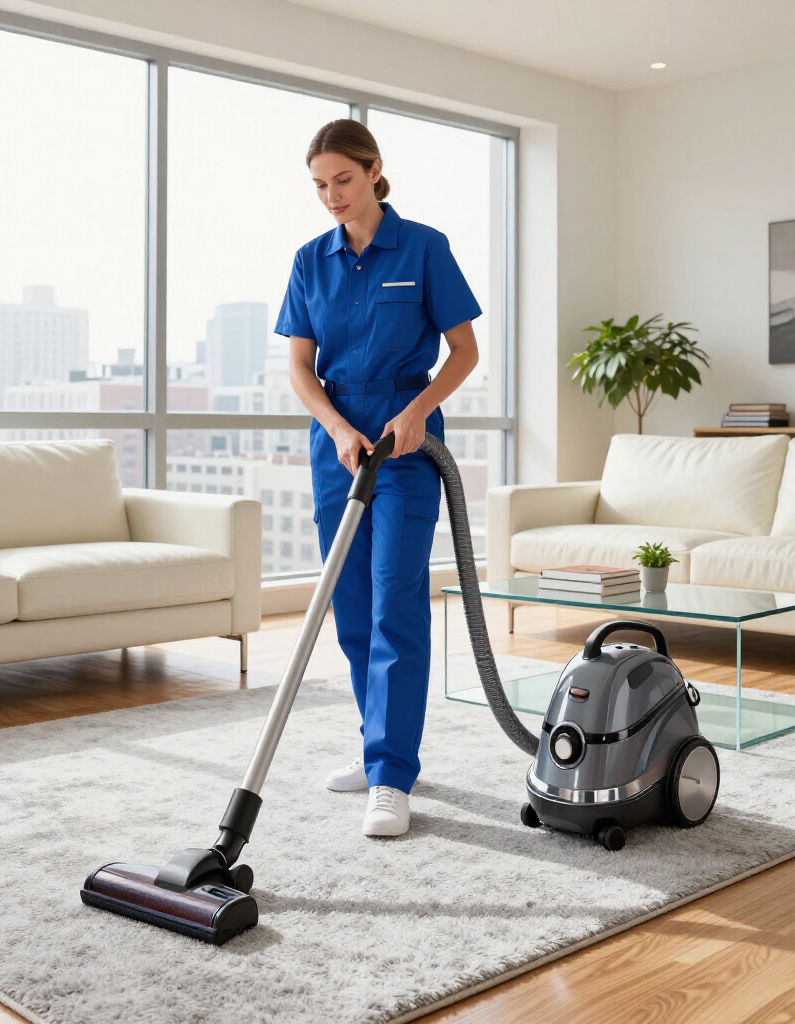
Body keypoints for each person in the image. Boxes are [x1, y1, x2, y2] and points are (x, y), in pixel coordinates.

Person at [275, 119, 480, 837]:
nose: (332, 195)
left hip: (406, 434)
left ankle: (393, 775)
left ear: (374, 172)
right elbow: (300, 367)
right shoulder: (310, 260)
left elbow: (463, 351)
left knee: (396, 597)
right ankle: (374, 748)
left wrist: (420, 409)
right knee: (352, 602)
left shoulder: (423, 247)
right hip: (338, 436)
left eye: (343, 180)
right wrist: (334, 426)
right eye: (320, 185)